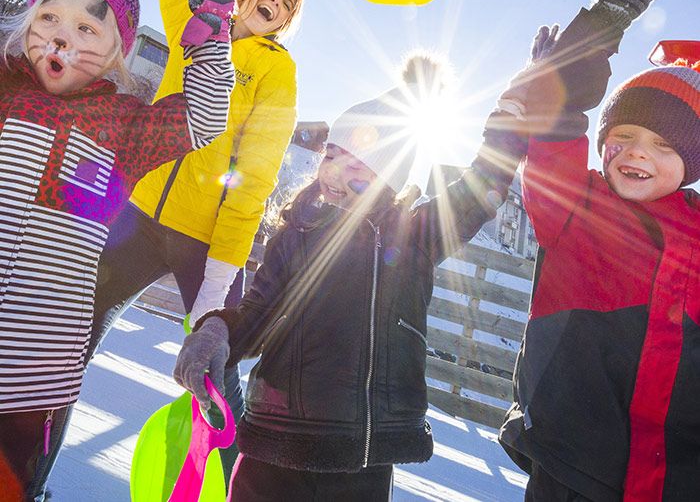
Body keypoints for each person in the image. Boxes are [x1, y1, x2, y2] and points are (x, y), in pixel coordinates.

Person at [29, 0, 304, 499]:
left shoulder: (277, 72)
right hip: (134, 213)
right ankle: (28, 480)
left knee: (218, 377)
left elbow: (255, 176)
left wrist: (219, 275)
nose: (275, 5)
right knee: (60, 345)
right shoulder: (198, 20)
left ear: (286, 21)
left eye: (287, 5)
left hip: (206, 239)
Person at [171, 47, 534, 501]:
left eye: (358, 167)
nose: (336, 176)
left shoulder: (416, 236)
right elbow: (257, 313)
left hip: (361, 457)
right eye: (332, 156)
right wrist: (218, 331)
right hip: (276, 442)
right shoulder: (296, 234)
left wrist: (514, 112)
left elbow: (484, 183)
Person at [0, 0, 235, 499]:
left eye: (86, 27)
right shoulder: (6, 97)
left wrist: (212, 34)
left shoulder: (124, 129)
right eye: (49, 17)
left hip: (34, 380)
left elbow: (203, 117)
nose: (61, 38)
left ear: (115, 55)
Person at [498, 0, 700, 501]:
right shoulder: (574, 206)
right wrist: (602, 23)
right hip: (575, 467)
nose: (638, 152)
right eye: (625, 135)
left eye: (665, 146)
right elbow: (557, 113)